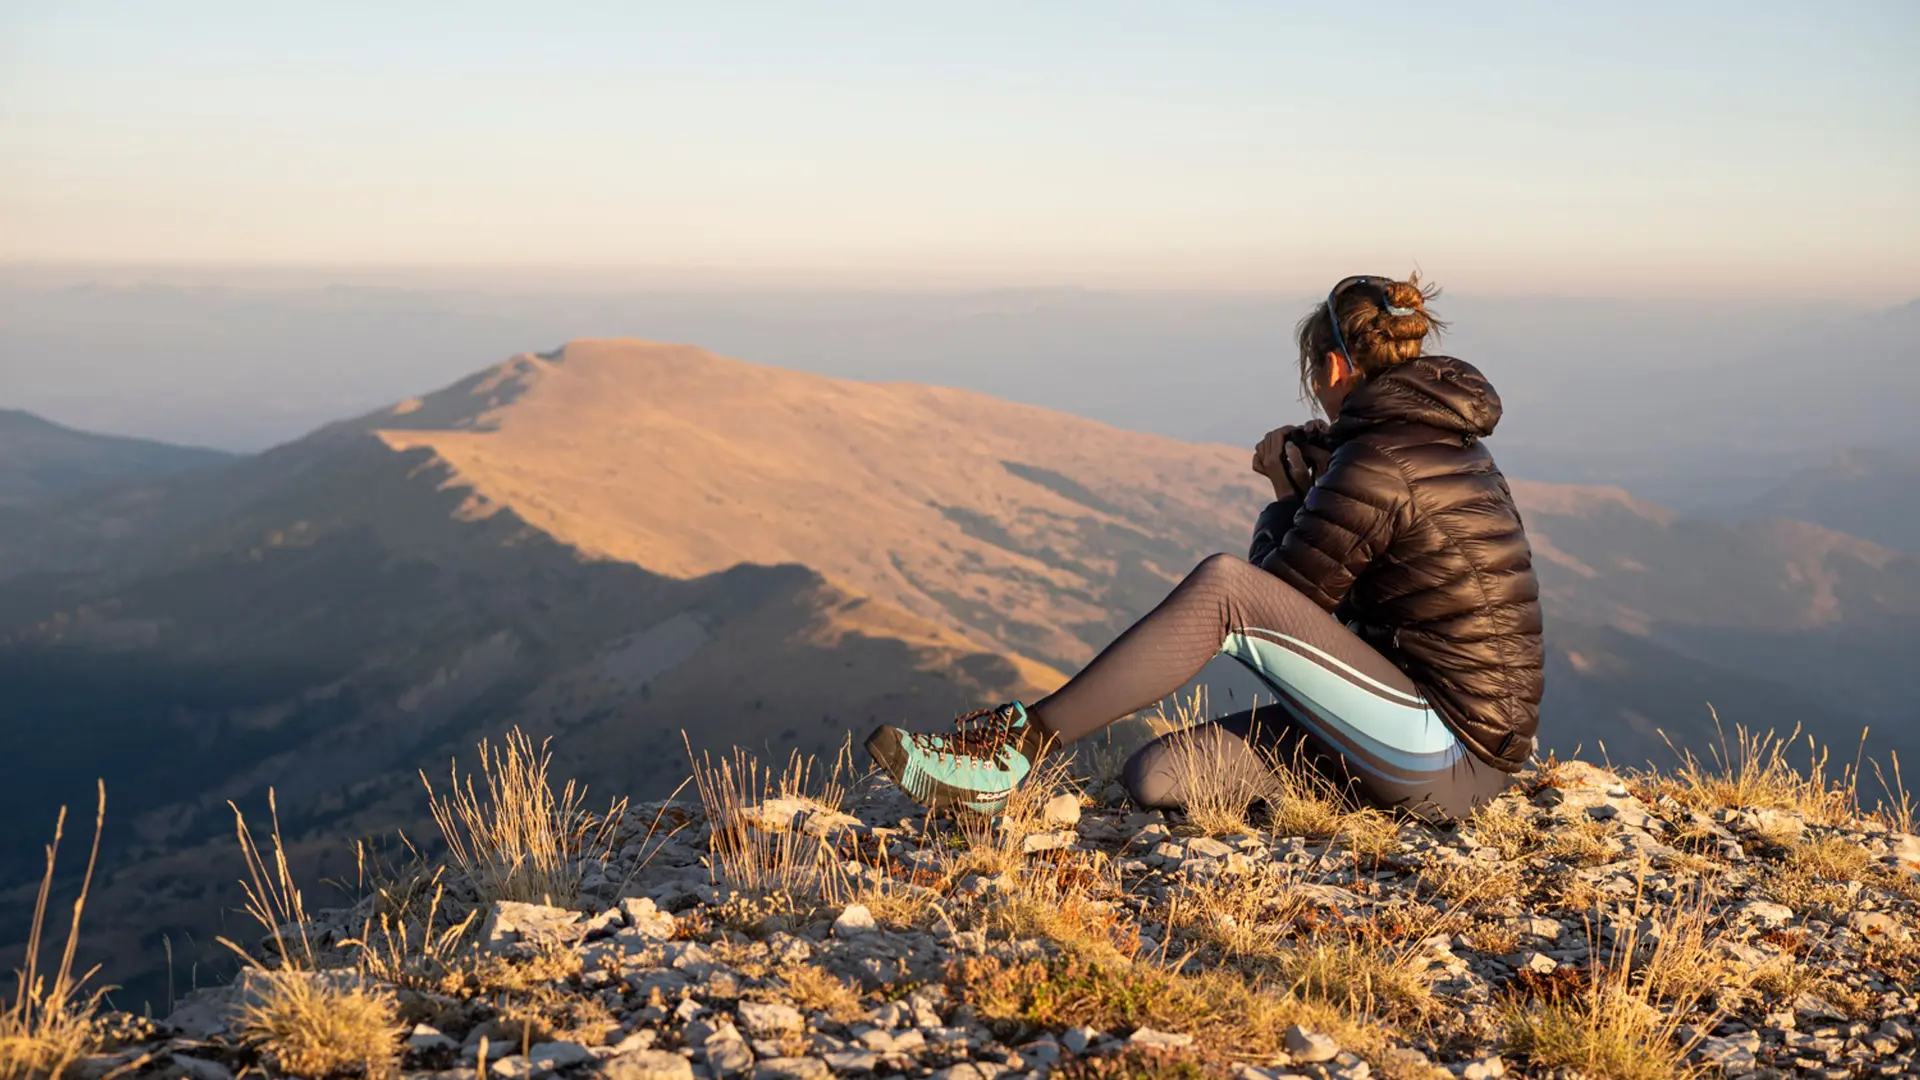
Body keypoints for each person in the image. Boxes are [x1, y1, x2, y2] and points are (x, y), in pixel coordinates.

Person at [865, 274, 1543, 823]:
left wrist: (1283, 496)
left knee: (1221, 587)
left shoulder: (1377, 463)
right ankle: (1357, 797)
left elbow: (1276, 609)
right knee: (1157, 778)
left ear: (1336, 366)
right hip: (1413, 730)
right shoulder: (1436, 442)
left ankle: (1011, 752)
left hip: (1449, 752)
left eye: (1314, 372)